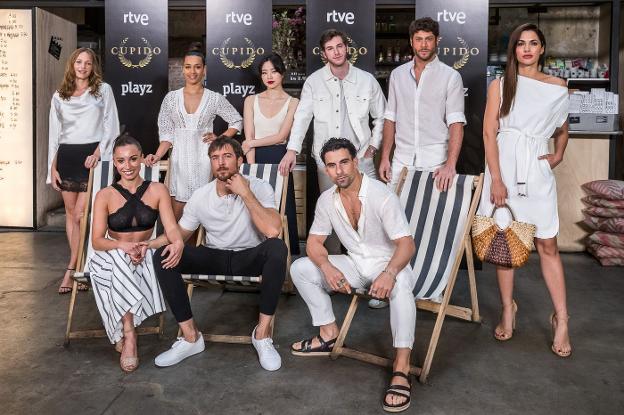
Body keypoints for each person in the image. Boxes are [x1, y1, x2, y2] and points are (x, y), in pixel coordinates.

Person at [290, 138, 417, 413]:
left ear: (356, 162)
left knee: (403, 284)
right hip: (356, 266)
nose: (340, 171)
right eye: (332, 165)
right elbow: (313, 243)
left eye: (344, 162)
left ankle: (402, 367)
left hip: (390, 264)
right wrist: (327, 267)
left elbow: (407, 245)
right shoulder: (327, 200)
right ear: (326, 169)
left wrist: (390, 273)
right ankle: (328, 333)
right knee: (300, 268)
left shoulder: (382, 196)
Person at [151, 136, 288, 371]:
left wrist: (245, 194)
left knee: (277, 248)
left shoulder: (259, 187)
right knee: (165, 254)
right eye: (215, 158)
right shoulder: (201, 195)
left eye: (227, 156)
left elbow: (273, 230)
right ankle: (191, 337)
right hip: (213, 256)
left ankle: (262, 335)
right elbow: (179, 234)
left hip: (249, 257)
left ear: (240, 160)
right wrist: (147, 245)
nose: (221, 163)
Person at [477, 23, 572, 358]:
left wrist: (557, 155)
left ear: (542, 48)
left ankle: (561, 318)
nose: (527, 49)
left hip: (536, 169)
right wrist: (497, 178)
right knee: (505, 240)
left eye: (534, 43)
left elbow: (562, 129)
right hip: (502, 168)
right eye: (521, 43)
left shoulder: (558, 86)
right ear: (514, 50)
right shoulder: (500, 85)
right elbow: (489, 133)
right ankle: (507, 309)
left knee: (547, 243)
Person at [372, 17, 466, 309]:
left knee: (434, 225)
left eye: (429, 39)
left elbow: (456, 123)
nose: (423, 44)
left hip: (435, 158)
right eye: (418, 39)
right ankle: (388, 285)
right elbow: (390, 118)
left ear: (437, 41)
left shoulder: (451, 77)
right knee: (395, 225)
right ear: (411, 42)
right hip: (401, 159)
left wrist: (450, 164)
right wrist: (385, 156)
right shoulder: (398, 75)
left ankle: (433, 286)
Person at [279, 28, 386, 253]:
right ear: (324, 54)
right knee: (332, 211)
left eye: (339, 46)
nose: (336, 52)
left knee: (368, 210)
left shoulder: (366, 81)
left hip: (361, 158)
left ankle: (370, 259)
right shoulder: (313, 82)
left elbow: (382, 116)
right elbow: (302, 118)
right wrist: (292, 150)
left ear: (346, 48)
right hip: (326, 162)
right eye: (330, 48)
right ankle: (335, 264)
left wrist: (374, 146)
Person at [86, 134, 184, 373]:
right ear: (114, 162)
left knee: (136, 260)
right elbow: (97, 241)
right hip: (110, 255)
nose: (127, 166)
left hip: (144, 254)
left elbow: (171, 229)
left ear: (142, 158)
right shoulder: (105, 195)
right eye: (120, 161)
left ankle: (122, 330)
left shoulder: (158, 190)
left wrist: (175, 241)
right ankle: (130, 335)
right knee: (121, 260)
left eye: (132, 159)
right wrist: (123, 246)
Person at [48, 47, 120, 294]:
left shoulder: (102, 90)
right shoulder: (60, 96)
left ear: (93, 67)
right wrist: (53, 166)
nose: (83, 67)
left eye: (88, 63)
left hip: (92, 156)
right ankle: (79, 265)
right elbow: (55, 135)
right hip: (67, 157)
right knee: (71, 214)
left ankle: (73, 267)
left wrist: (99, 154)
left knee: (81, 214)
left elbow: (111, 126)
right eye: (79, 62)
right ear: (72, 64)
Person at [145, 43, 243, 220]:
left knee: (205, 214)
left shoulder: (213, 98)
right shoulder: (171, 99)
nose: (192, 72)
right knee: (177, 216)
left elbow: (237, 121)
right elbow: (167, 136)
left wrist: (219, 139)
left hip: (205, 162)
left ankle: (203, 248)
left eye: (197, 67)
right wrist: (158, 156)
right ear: (183, 69)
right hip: (179, 162)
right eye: (188, 67)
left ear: (204, 70)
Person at [242, 53, 300, 255]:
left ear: (282, 73)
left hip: (280, 159)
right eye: (265, 72)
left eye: (274, 71)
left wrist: (251, 143)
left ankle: (285, 258)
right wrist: (251, 168)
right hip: (254, 158)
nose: (269, 76)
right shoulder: (251, 100)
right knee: (254, 204)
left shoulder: (293, 102)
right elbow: (248, 133)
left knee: (281, 205)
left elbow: (282, 136)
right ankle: (254, 251)